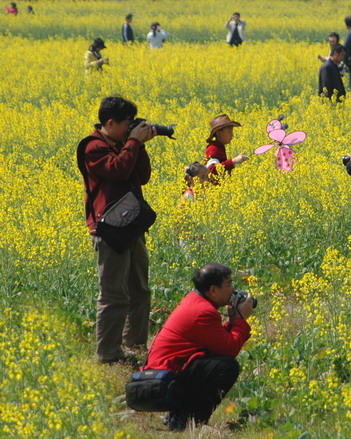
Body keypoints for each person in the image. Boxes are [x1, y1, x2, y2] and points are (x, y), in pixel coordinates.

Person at [76, 96, 156, 364]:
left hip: (131, 225)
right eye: (126, 125)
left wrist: (138, 145)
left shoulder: (122, 144)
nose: (129, 129)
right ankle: (108, 355)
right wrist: (133, 142)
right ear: (110, 122)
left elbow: (141, 176)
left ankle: (135, 345)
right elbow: (119, 170)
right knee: (114, 295)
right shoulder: (93, 148)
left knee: (140, 290)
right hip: (109, 230)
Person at [143, 263, 254, 431]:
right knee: (226, 367)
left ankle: (179, 416)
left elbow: (217, 342)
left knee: (214, 362)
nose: (233, 289)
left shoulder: (196, 301)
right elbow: (230, 349)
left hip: (166, 372)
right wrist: (240, 319)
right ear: (213, 290)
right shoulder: (203, 311)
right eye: (229, 284)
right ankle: (190, 422)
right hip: (164, 380)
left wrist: (232, 320)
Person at [204, 114, 249, 181]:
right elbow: (211, 169)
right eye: (229, 132)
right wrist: (233, 161)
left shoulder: (219, 147)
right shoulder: (213, 149)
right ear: (219, 133)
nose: (232, 135)